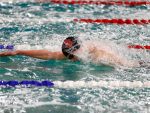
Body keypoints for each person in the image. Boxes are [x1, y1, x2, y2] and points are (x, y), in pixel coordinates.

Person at [0, 36, 141, 67]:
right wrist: (19, 52)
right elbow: (48, 54)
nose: (70, 59)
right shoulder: (80, 52)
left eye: (70, 57)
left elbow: (128, 66)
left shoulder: (100, 56)